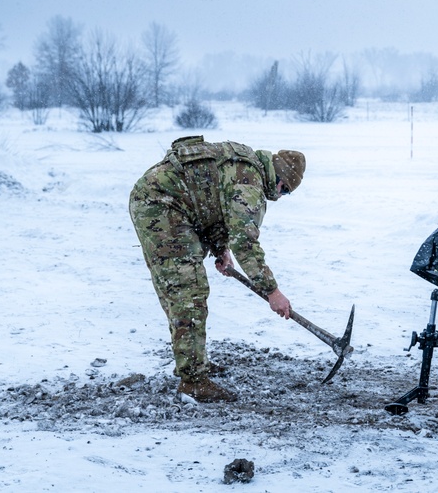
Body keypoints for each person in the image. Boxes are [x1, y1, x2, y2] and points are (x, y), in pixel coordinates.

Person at [128, 135, 305, 402]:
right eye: (286, 191)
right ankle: (194, 381)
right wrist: (273, 292)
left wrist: (220, 248)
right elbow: (245, 243)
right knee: (188, 293)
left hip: (167, 202)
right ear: (280, 180)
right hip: (161, 206)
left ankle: (193, 363)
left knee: (186, 292)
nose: (280, 196)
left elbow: (211, 202)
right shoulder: (250, 185)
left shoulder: (247, 165)